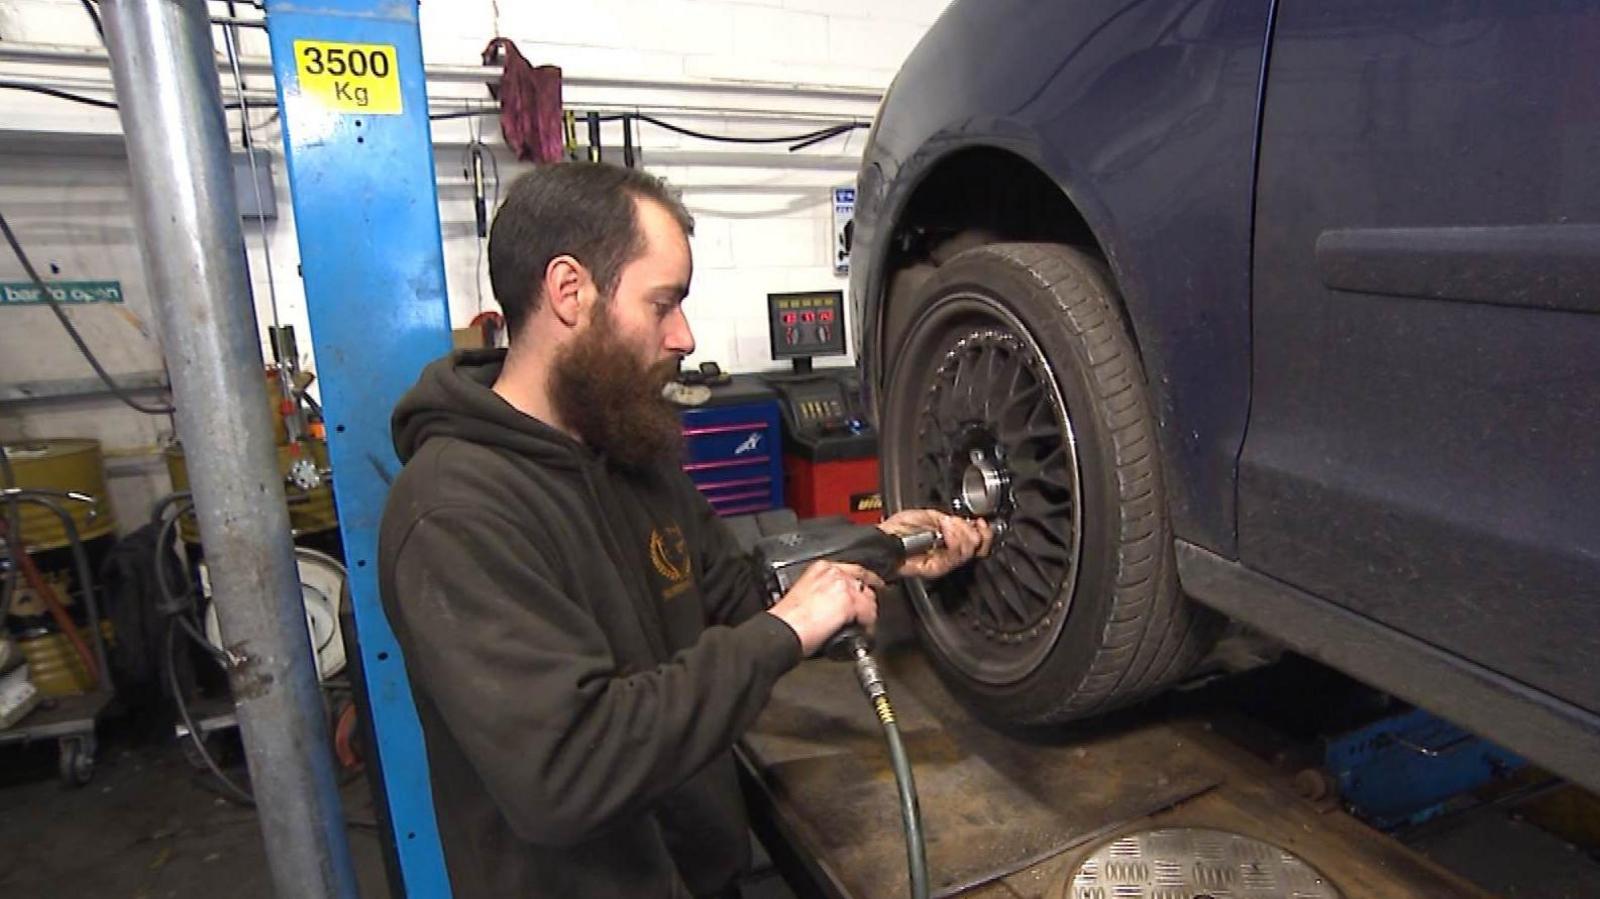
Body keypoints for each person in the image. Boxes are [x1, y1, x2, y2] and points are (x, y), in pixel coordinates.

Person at [377, 162, 991, 898]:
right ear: (569, 291)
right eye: (662, 303)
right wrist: (785, 631)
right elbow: (567, 770)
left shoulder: (627, 455)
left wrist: (887, 549)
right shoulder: (454, 513)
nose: (684, 333)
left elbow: (742, 592)